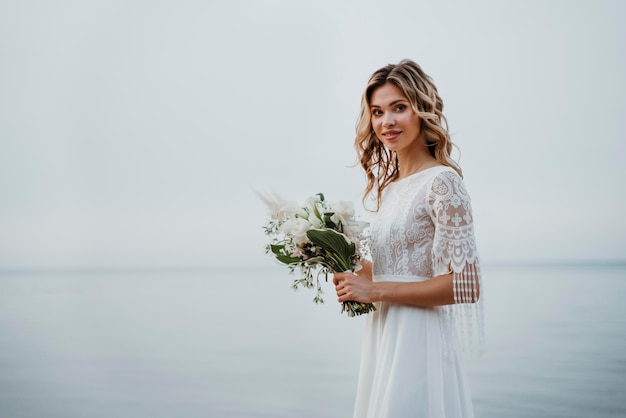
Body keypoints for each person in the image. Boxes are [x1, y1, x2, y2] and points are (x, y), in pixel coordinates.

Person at [333, 59, 484, 418]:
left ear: (422, 110)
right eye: (377, 111)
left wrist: (376, 291)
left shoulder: (442, 182)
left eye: (399, 107)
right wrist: (336, 256)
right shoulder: (392, 189)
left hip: (419, 336)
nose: (387, 121)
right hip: (385, 332)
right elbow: (398, 270)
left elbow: (466, 285)